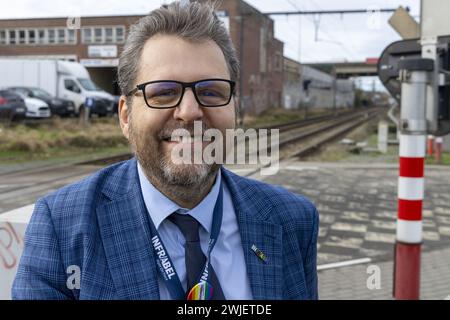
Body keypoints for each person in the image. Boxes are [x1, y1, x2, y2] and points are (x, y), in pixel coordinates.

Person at [12, 1, 318, 300]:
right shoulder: (62, 227)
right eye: (164, 92)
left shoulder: (293, 220)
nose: (189, 112)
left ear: (235, 111)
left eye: (211, 91)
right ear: (125, 116)